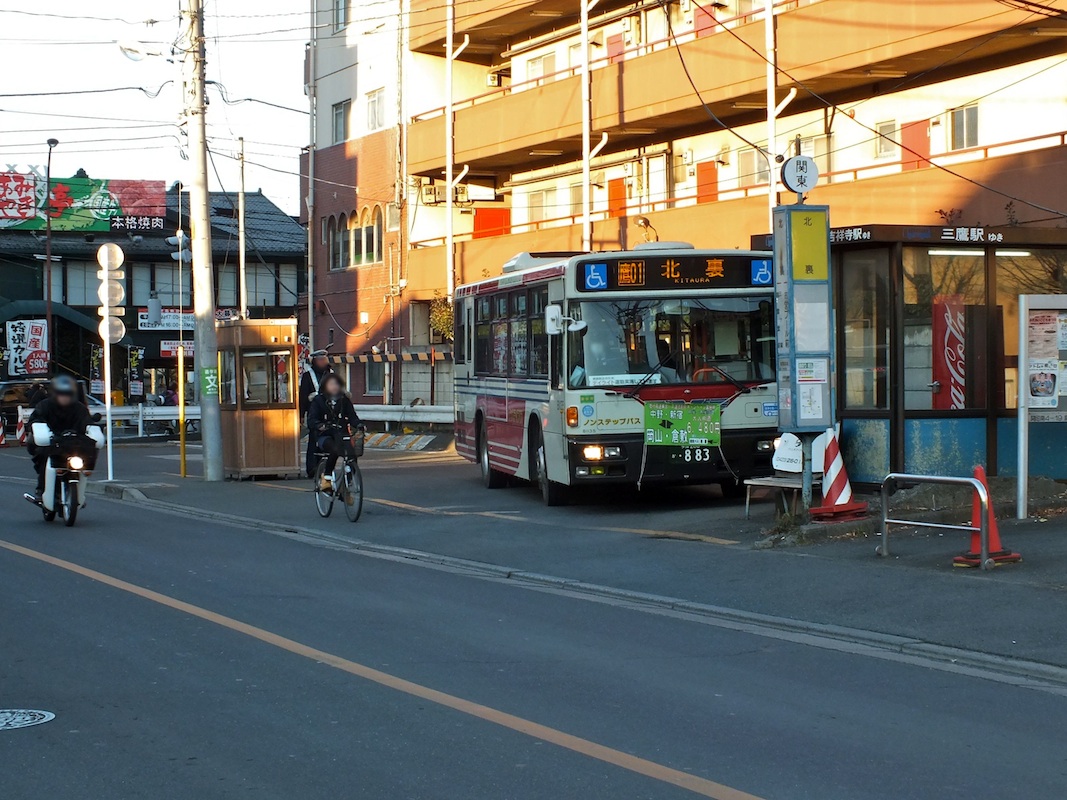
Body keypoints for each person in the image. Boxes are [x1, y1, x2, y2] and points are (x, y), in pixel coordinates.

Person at [27, 375, 92, 502]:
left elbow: (88, 423)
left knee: (86, 455)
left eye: (67, 394)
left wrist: (92, 429)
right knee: (44, 455)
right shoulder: (44, 406)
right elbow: (35, 419)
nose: (64, 397)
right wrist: (41, 429)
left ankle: (78, 494)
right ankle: (41, 489)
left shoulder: (79, 409)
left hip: (72, 443)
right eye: (61, 394)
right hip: (50, 443)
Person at [306, 373, 362, 489]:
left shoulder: (344, 400)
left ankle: (347, 484)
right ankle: (327, 478)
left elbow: (352, 416)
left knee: (352, 455)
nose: (334, 386)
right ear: (325, 386)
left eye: (337, 384)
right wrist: (319, 425)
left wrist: (359, 424)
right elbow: (311, 420)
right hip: (325, 435)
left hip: (342, 433)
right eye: (331, 384)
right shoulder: (318, 400)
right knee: (335, 449)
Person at [299, 349, 333, 477]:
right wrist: (301, 415)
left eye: (324, 359)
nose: (323, 361)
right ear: (315, 361)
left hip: (330, 412)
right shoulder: (308, 375)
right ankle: (312, 468)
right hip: (314, 412)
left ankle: (325, 467)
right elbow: (303, 396)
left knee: (328, 440)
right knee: (314, 440)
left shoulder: (331, 374)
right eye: (321, 359)